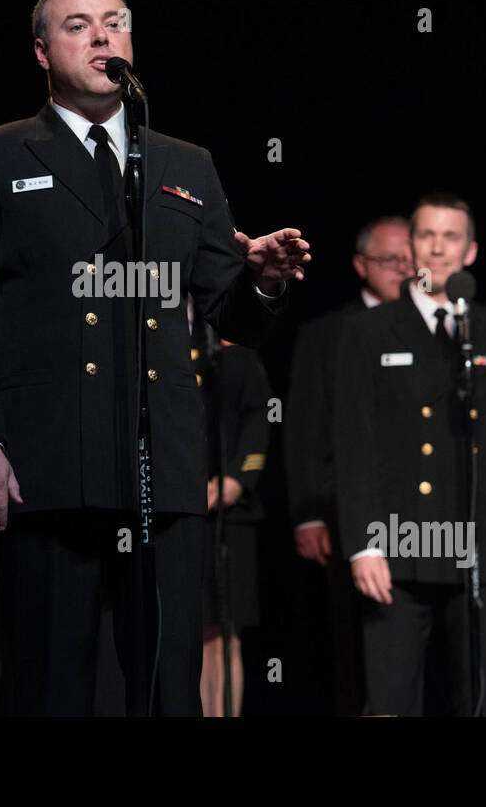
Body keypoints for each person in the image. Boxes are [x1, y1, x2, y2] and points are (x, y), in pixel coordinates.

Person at [0, 0, 309, 715]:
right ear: (41, 52)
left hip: (158, 468)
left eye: (115, 22)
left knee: (169, 686)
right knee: (48, 684)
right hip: (46, 464)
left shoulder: (182, 163)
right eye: (77, 25)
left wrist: (262, 278)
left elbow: (232, 318)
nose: (101, 36)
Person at [333, 193, 486, 716]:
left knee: (484, 699)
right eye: (427, 235)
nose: (438, 247)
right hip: (397, 545)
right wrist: (363, 545)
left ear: (470, 251)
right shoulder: (367, 330)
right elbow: (353, 444)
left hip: (483, 544)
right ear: (410, 246)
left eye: (451, 236)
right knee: (389, 700)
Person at [284, 214, 411, 714]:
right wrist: (309, 513)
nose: (402, 268)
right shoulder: (328, 333)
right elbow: (303, 428)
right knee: (353, 639)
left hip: (423, 513)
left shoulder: (440, 326)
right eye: (389, 259)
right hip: (346, 511)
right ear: (361, 265)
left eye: (410, 259)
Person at [194, 304, 273, 717]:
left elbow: (260, 414)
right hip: (173, 508)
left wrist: (237, 479)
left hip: (229, 513)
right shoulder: (157, 334)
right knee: (189, 631)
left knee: (225, 632)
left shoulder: (231, 347)